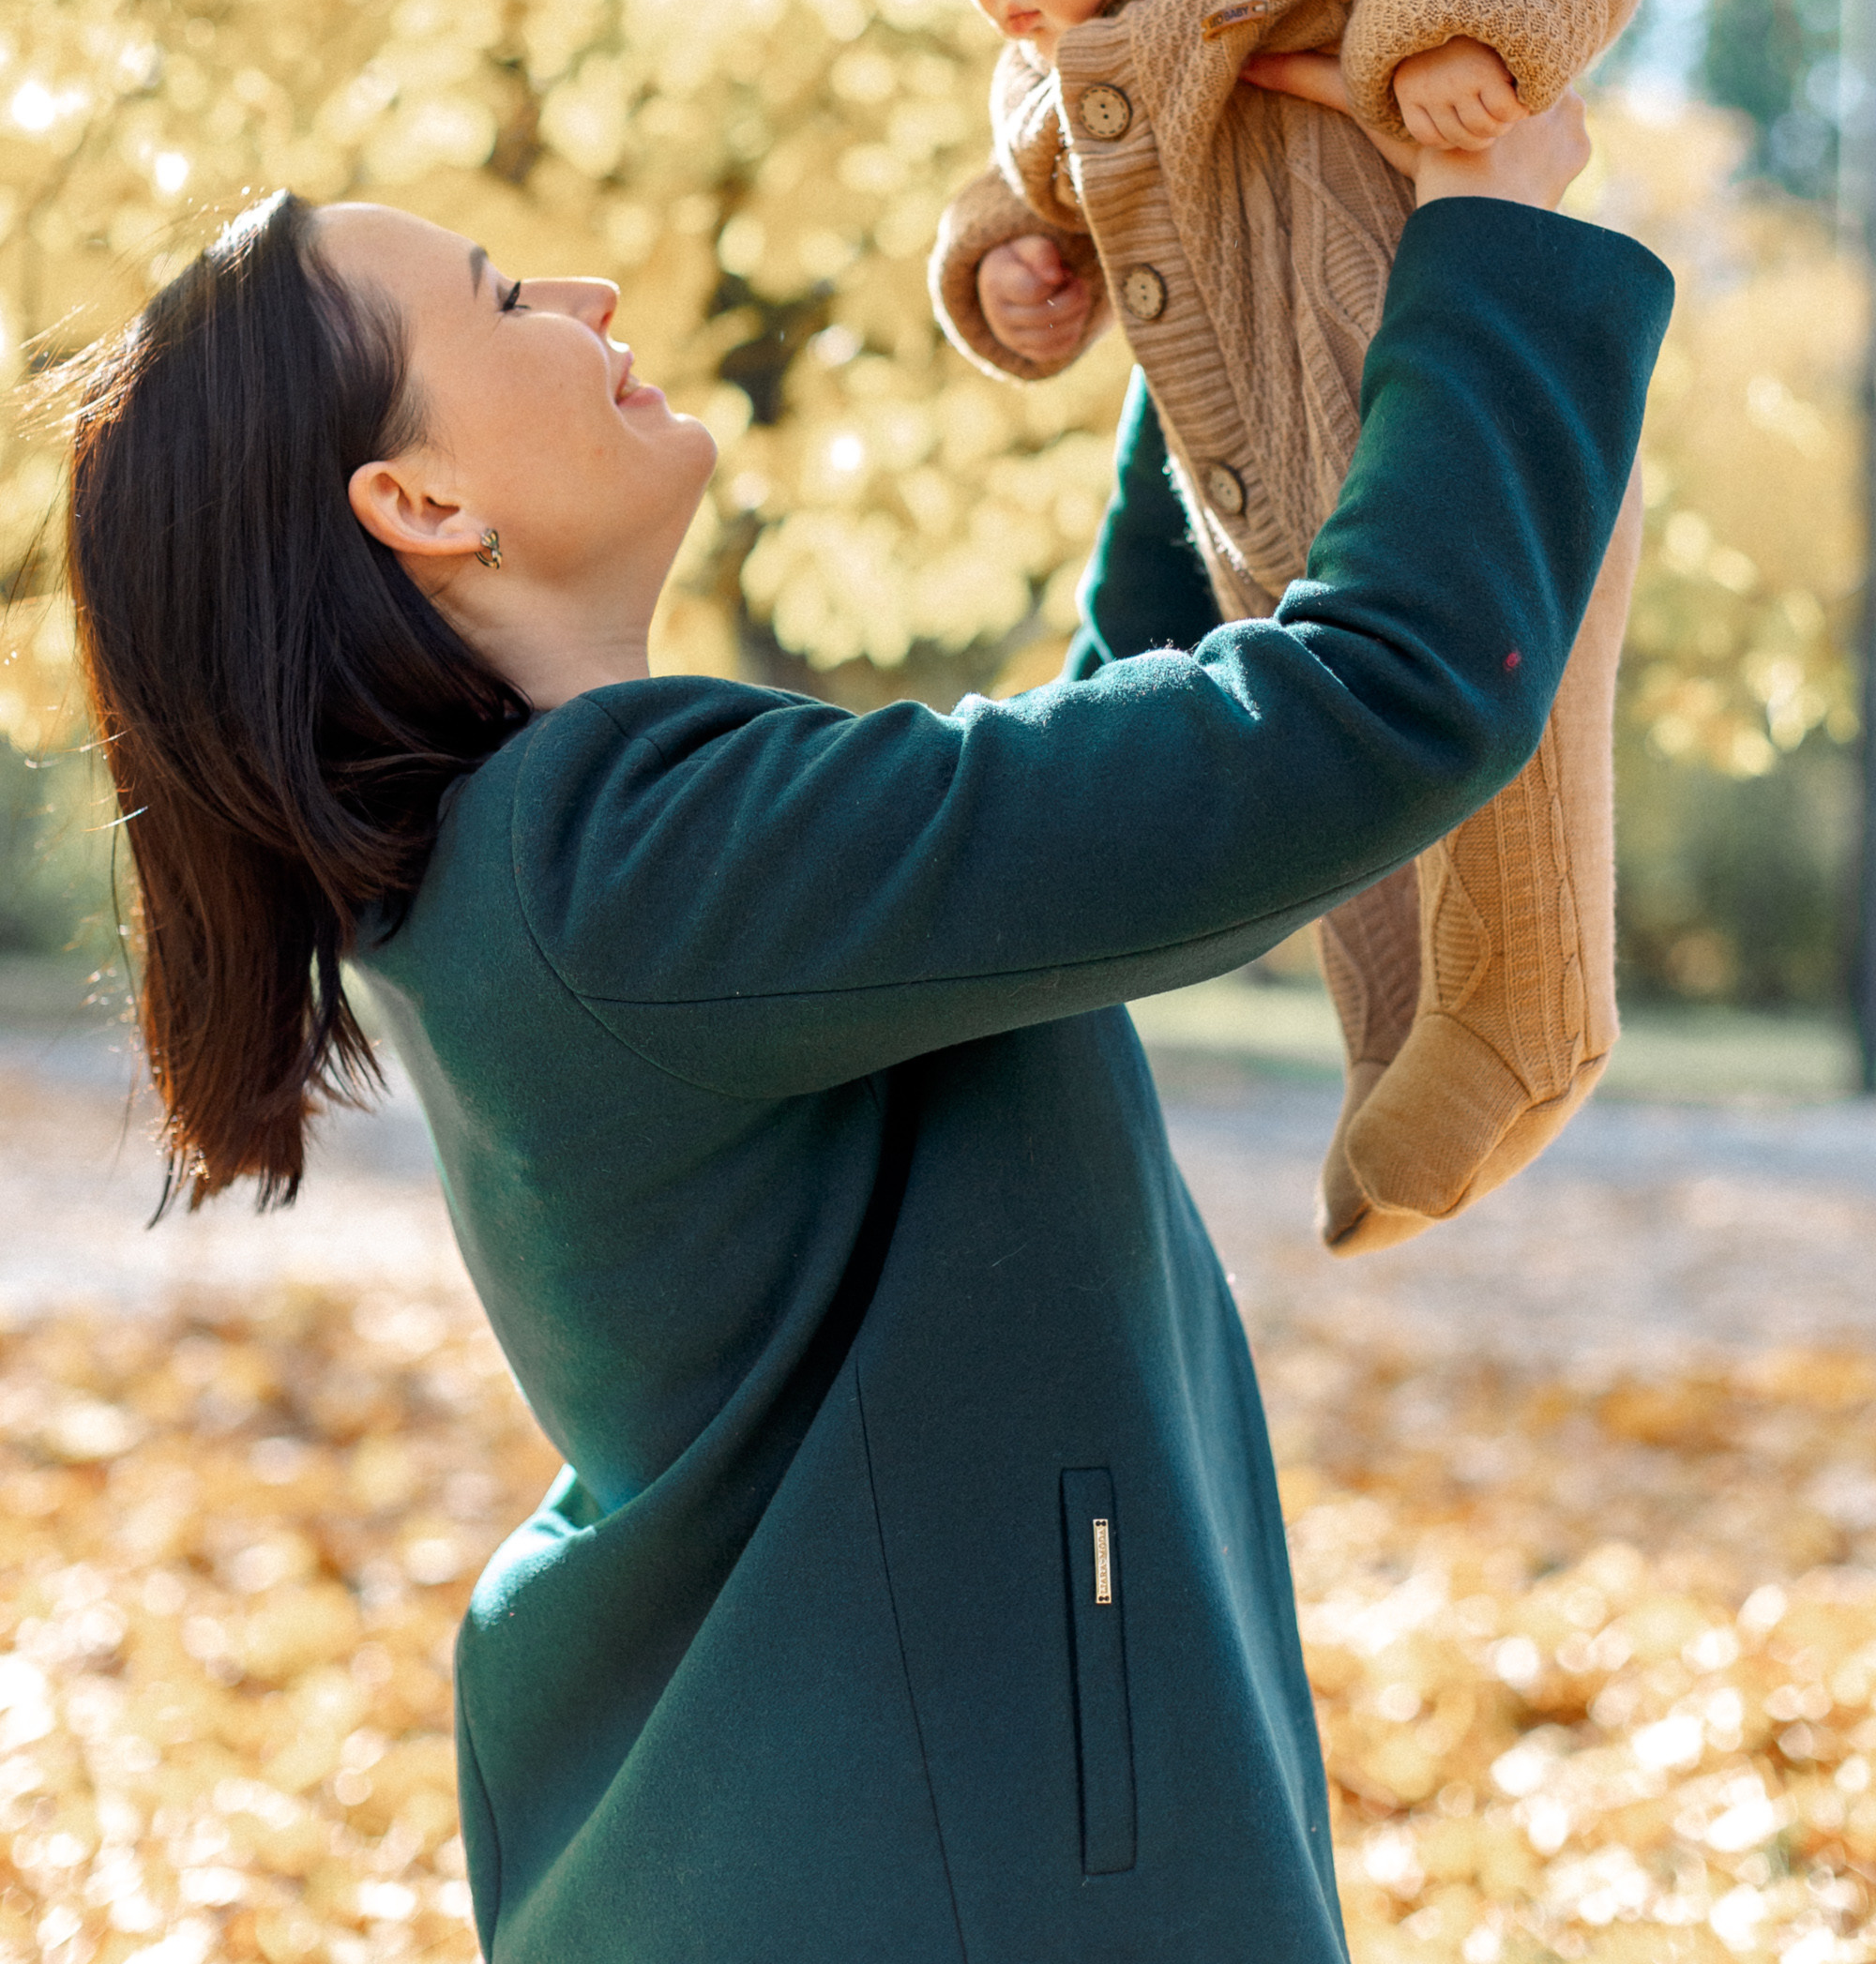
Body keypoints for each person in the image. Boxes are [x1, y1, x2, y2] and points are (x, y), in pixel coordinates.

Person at [64, 113, 1670, 1963]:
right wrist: (1489, 237)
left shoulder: (565, 863)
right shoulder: (626, 864)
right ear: (418, 504)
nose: (587, 293)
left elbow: (1090, 823)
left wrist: (1175, 302)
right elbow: (1362, 719)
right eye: (501, 301)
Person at [910, 0, 1655, 1253]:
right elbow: (1027, 163)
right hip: (1271, 490)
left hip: (1484, 414)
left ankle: (1537, 1015)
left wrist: (1458, 30)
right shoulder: (1085, 49)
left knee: (1513, 741)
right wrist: (1009, 262)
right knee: (1356, 824)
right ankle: (1397, 1052)